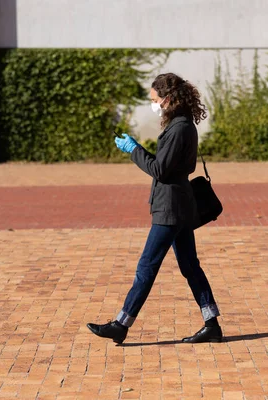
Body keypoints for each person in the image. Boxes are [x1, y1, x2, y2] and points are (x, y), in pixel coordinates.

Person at [87, 73, 222, 344]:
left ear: (168, 99)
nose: (154, 104)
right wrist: (137, 149)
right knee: (190, 266)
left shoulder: (180, 127)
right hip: (178, 206)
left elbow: (159, 170)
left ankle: (122, 324)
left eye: (155, 100)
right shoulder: (179, 125)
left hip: (170, 209)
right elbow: (164, 166)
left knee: (146, 267)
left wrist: (134, 149)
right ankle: (212, 324)